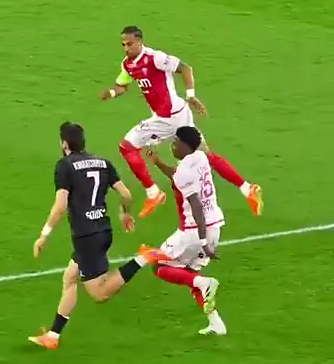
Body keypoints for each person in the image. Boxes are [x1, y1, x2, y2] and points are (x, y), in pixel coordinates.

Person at [99, 25, 263, 219]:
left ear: (140, 41)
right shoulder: (128, 64)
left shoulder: (155, 58)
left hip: (168, 118)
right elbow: (122, 85)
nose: (126, 48)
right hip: (178, 115)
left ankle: (153, 193)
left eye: (130, 44)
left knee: (127, 147)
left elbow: (185, 68)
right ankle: (248, 189)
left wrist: (191, 95)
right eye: (123, 45)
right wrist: (111, 92)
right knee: (206, 155)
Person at [28, 122, 151, 350]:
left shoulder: (65, 166)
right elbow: (126, 194)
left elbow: (60, 206)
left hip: (86, 237)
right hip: (102, 230)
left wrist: (43, 235)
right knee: (70, 277)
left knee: (99, 294)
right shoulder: (103, 162)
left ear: (65, 143)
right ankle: (53, 336)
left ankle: (143, 258)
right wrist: (124, 213)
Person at [141, 126, 227, 336]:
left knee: (159, 265)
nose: (172, 146)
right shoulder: (200, 158)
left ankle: (204, 283)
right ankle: (216, 323)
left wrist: (202, 241)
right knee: (189, 274)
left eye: (175, 142)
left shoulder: (184, 172)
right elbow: (178, 176)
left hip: (194, 231)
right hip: (214, 226)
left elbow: (195, 205)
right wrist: (158, 163)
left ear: (184, 145)